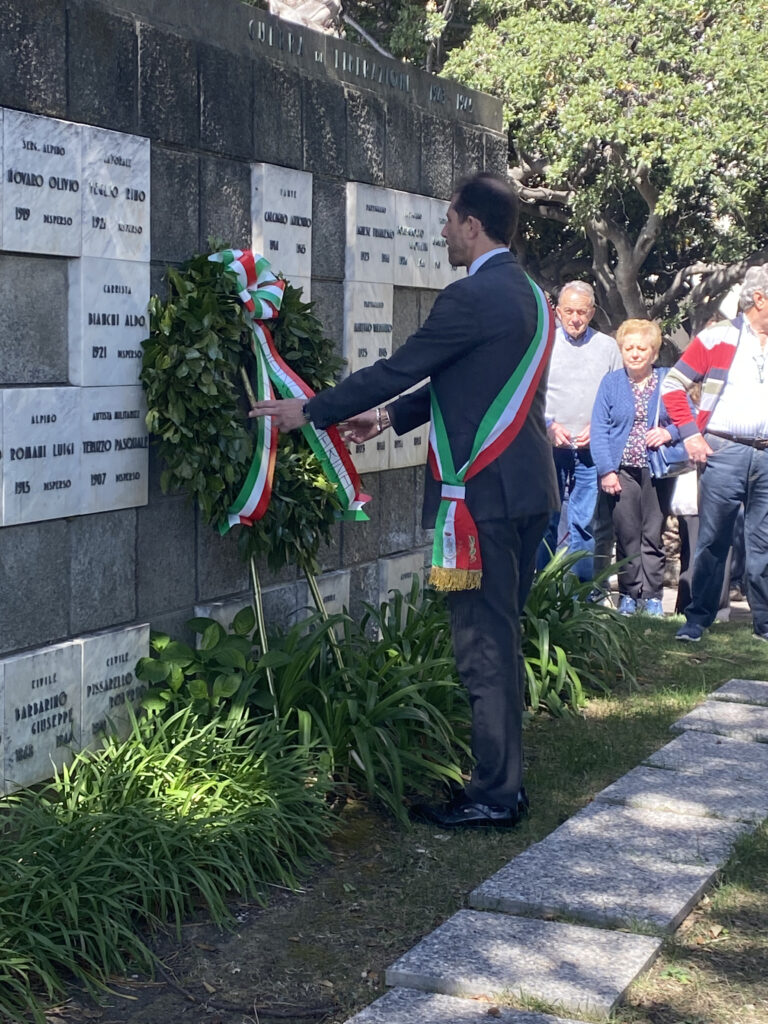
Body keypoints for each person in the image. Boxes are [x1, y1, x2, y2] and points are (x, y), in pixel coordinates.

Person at [249, 173, 558, 828]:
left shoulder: (471, 294)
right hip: (527, 490)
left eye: (449, 220)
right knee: (500, 638)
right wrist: (390, 418)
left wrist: (312, 410)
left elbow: (404, 366)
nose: (442, 232)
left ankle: (495, 797)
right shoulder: (530, 294)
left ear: (472, 224)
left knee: (482, 647)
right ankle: (503, 783)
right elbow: (470, 377)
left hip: (483, 499)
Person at [662, 265, 768, 642]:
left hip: (766, 455)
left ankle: (764, 624)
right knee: (712, 539)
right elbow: (673, 384)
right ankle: (698, 619)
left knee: (763, 542)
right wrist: (690, 435)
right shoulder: (717, 336)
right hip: (723, 450)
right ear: (760, 299)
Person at [590, 320, 685, 615]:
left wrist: (668, 433)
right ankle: (629, 595)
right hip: (622, 471)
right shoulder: (611, 383)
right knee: (627, 534)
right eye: (628, 348)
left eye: (641, 348)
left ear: (653, 353)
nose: (634, 353)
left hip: (657, 470)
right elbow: (599, 429)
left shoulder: (667, 380)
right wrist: (606, 470)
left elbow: (688, 418)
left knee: (653, 534)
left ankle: (653, 596)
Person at [538, 281, 622, 582]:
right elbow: (530, 394)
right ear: (558, 312)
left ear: (592, 312)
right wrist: (548, 425)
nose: (575, 318)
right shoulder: (543, 345)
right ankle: (543, 587)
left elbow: (618, 398)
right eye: (569, 311)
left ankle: (580, 592)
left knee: (584, 524)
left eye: (582, 312)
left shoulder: (608, 347)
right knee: (546, 520)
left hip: (590, 449)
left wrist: (598, 427)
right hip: (550, 446)